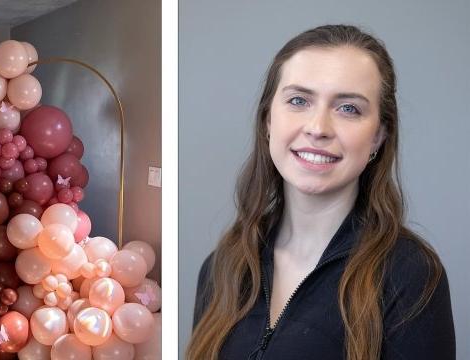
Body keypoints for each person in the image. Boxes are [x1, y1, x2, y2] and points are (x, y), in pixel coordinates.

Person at [187, 25, 455, 360]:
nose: (318, 128)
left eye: (348, 109)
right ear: (269, 119)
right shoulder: (223, 266)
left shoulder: (410, 275)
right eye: (298, 100)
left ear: (378, 136)